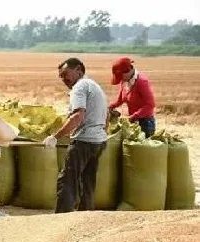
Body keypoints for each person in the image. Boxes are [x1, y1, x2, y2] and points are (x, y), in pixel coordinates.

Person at [43, 58, 107, 213]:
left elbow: (78, 115)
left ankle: (61, 217)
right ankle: (85, 215)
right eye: (61, 76)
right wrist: (101, 134)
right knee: (87, 181)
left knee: (67, 181)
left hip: (84, 142)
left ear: (78, 69)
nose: (63, 79)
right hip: (99, 141)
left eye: (65, 74)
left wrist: (55, 137)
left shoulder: (79, 87)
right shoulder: (94, 86)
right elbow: (107, 115)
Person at [108, 57, 156, 137]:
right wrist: (110, 106)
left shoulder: (142, 82)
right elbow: (120, 100)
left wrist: (134, 116)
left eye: (120, 76)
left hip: (145, 123)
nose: (120, 80)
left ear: (127, 71)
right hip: (133, 121)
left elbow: (150, 105)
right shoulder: (124, 82)